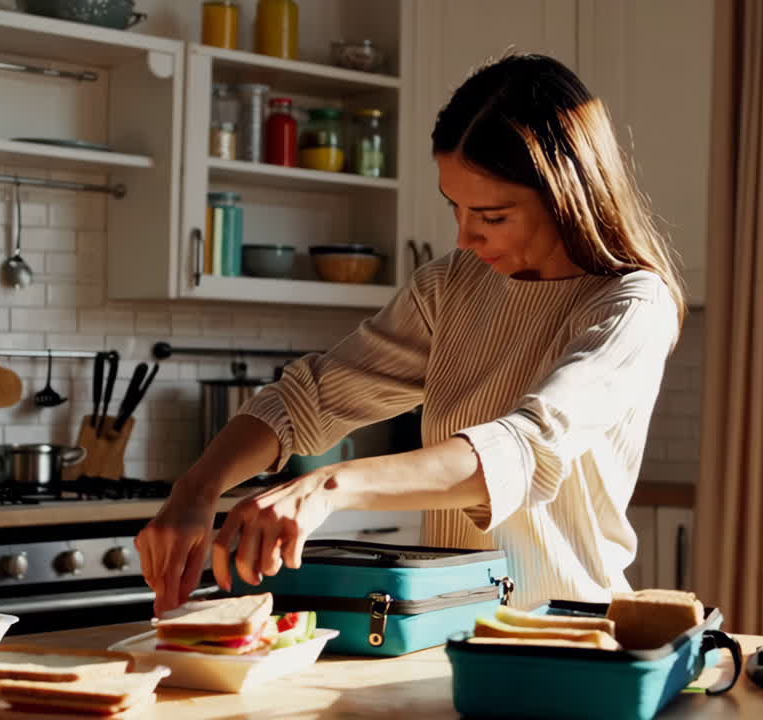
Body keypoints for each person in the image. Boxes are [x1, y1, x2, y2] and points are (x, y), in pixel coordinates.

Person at [137, 53, 687, 615]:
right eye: (456, 208)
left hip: (569, 638)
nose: (466, 235)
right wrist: (197, 489)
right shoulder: (451, 285)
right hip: (449, 629)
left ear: (565, 194)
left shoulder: (632, 306)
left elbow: (525, 447)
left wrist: (328, 488)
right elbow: (308, 401)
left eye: (493, 216)